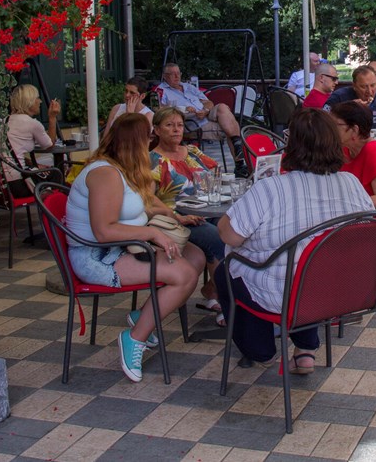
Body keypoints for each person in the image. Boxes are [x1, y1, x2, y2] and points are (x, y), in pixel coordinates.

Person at [214, 108, 373, 373]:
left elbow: (228, 234)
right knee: (309, 266)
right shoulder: (352, 183)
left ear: (291, 145)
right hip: (342, 292)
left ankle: (261, 351)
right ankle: (305, 350)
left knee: (226, 271)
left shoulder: (271, 188)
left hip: (283, 295)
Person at [64, 113, 205, 383]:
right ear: (134, 142)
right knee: (185, 275)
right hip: (98, 256)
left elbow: (148, 201)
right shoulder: (104, 174)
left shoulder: (122, 168)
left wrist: (175, 218)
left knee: (195, 255)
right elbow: (104, 231)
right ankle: (134, 338)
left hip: (126, 246)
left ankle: (145, 315)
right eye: (148, 137)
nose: (151, 141)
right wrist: (152, 232)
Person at [149, 106, 230, 312]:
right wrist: (177, 216)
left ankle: (213, 289)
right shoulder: (152, 161)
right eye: (169, 125)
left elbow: (217, 174)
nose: (176, 130)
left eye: (179, 125)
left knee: (239, 231)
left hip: (208, 209)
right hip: (176, 219)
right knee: (217, 239)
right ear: (157, 130)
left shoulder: (192, 151)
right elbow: (147, 200)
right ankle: (227, 302)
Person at [156, 62, 247, 176]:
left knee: (222, 107)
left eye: (178, 73)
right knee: (228, 127)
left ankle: (238, 149)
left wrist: (206, 111)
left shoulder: (188, 87)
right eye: (172, 74)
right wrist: (183, 109)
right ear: (165, 76)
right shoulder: (161, 91)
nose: (176, 76)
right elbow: (161, 111)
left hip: (205, 116)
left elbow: (208, 102)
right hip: (189, 122)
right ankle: (240, 162)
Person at [331, 101, 376, 209]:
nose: (331, 129)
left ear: (354, 130)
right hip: (355, 213)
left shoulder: (373, 150)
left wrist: (343, 204)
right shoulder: (344, 149)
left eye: (337, 124)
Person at [6, 83, 60, 187]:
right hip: (18, 183)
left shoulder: (5, 121)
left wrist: (33, 164)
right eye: (37, 98)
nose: (40, 101)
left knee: (46, 171)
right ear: (29, 102)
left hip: (2, 182)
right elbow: (49, 145)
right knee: (57, 173)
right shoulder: (32, 123)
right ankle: (53, 202)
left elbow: (10, 155)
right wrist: (52, 117)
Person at [325, 64, 376, 129]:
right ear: (354, 86)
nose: (370, 91)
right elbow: (322, 122)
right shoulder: (339, 97)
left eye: (373, 85)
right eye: (364, 87)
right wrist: (347, 108)